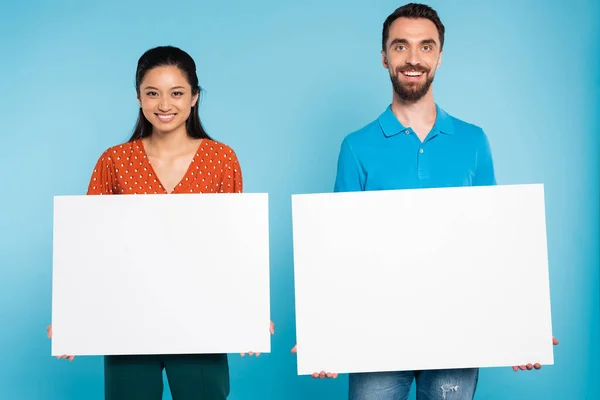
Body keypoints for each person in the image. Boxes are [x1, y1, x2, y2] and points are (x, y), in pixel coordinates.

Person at [291, 3, 558, 398]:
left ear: (440, 56)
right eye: (400, 47)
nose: (413, 59)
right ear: (384, 57)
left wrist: (521, 327)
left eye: (425, 47)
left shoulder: (473, 140)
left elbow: (496, 239)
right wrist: (326, 336)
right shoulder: (356, 146)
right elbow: (338, 249)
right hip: (376, 336)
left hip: (458, 330)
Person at [47, 45, 274, 400]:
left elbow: (233, 244)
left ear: (195, 97)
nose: (164, 104)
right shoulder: (114, 160)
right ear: (138, 97)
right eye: (152, 93)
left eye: (177, 93)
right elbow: (90, 244)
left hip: (201, 317)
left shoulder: (221, 158)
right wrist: (72, 317)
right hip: (127, 318)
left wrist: (250, 311)